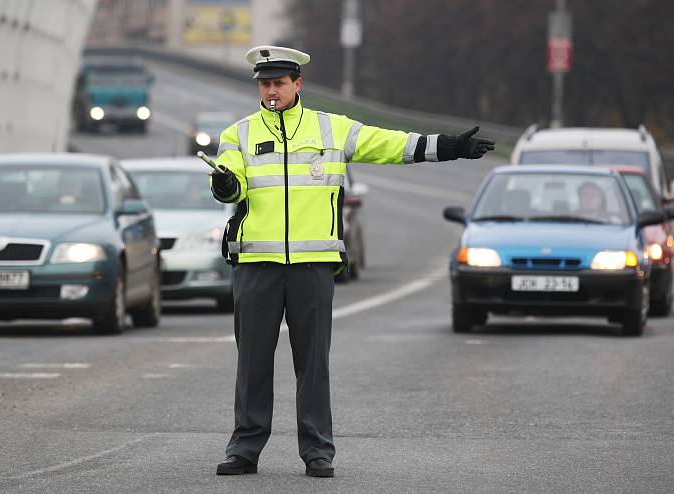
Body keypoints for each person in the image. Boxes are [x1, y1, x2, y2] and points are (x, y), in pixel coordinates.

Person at [210, 45, 494, 478]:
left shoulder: (332, 130)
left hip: (313, 265)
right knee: (252, 363)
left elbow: (392, 145)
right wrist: (225, 183)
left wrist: (450, 146)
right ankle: (244, 449)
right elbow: (231, 187)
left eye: (279, 83)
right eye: (265, 84)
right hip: (257, 264)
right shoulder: (239, 135)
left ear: (297, 84)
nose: (271, 91)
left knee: (314, 364)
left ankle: (317, 452)